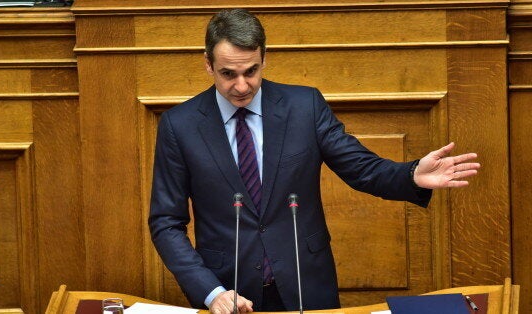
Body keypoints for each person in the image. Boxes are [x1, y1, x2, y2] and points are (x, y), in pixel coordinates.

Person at [149, 8, 480, 313]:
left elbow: (362, 169)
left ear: (265, 58)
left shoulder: (305, 106)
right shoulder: (180, 125)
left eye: (251, 71)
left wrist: (411, 175)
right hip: (229, 293)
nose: (241, 85)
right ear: (208, 63)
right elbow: (166, 223)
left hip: (307, 285)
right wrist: (211, 292)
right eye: (227, 73)